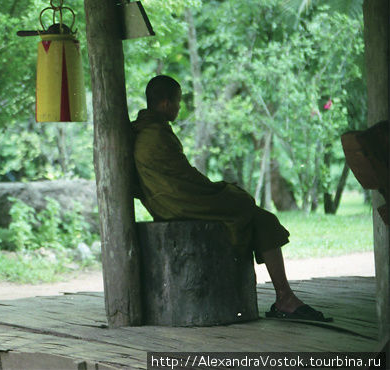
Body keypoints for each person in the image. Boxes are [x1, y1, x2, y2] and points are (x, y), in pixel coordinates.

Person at [132, 74, 331, 322]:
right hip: (178, 204)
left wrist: (219, 189)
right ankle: (285, 297)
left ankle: (285, 297)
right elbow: (184, 182)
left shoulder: (147, 130)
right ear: (165, 104)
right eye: (178, 102)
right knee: (254, 211)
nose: (179, 107)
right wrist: (221, 190)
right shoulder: (155, 135)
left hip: (171, 202)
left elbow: (179, 177)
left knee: (252, 212)